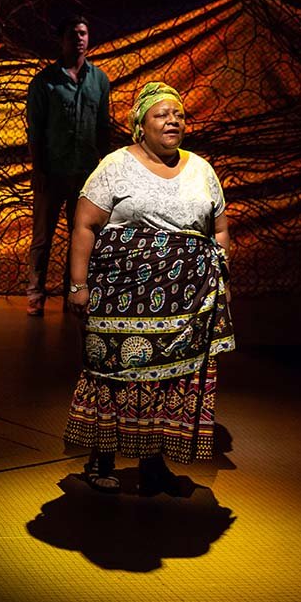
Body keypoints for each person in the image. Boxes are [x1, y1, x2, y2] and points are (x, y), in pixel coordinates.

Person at [65, 82, 234, 495]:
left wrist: (221, 278)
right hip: (122, 294)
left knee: (169, 381)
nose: (173, 120)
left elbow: (221, 228)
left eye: (178, 114)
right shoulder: (115, 166)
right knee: (115, 374)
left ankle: (153, 464)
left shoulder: (201, 169)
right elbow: (84, 225)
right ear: (140, 125)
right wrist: (77, 284)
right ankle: (100, 458)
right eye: (162, 114)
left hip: (186, 300)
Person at [25, 14, 112, 316]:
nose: (79, 38)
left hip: (85, 175)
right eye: (73, 33)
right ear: (61, 40)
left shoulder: (99, 80)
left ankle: (71, 296)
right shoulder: (44, 83)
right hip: (52, 172)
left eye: (84, 33)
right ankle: (35, 295)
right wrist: (39, 170)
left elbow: (103, 127)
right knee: (42, 237)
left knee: (81, 237)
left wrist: (105, 170)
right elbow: (35, 130)